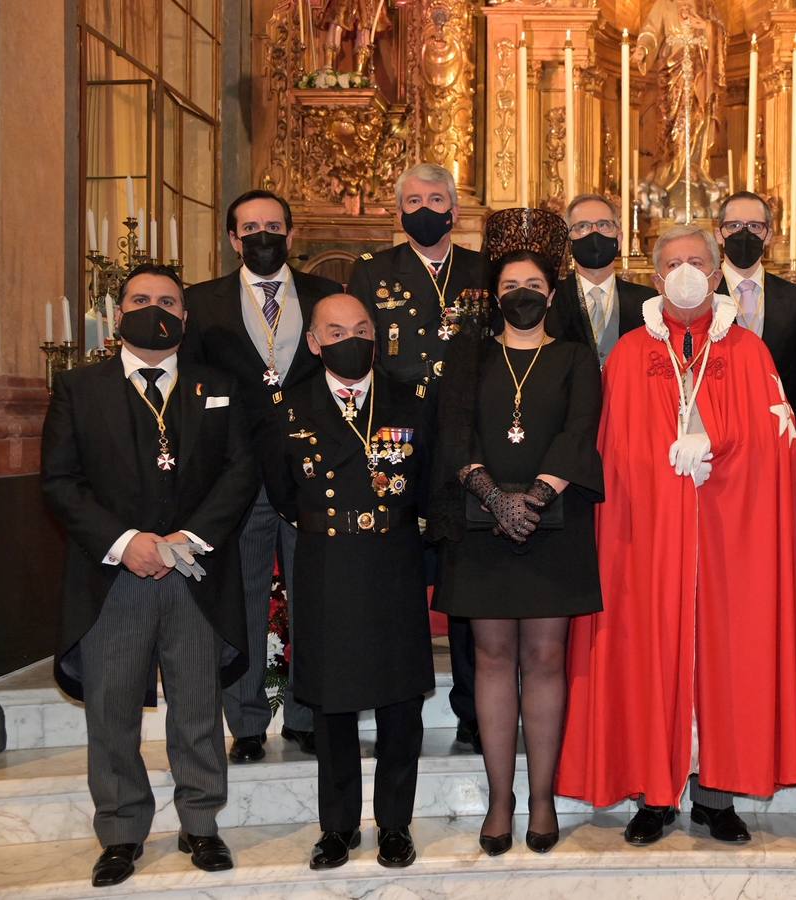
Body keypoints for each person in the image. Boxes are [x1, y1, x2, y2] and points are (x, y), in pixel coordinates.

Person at [558, 224, 796, 846]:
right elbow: (611, 451)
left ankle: (717, 794)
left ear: (716, 269)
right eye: (673, 262)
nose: (686, 271)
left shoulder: (749, 352)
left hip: (730, 540)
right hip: (648, 538)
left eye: (697, 261)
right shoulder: (626, 355)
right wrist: (659, 474)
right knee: (649, 650)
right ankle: (654, 792)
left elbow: (777, 448)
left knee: (727, 657)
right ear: (654, 276)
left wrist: (719, 448)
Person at [41, 264, 258, 887]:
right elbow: (60, 481)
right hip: (113, 578)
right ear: (119, 313)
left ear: (185, 320)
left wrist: (185, 540)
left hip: (193, 573)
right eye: (140, 299)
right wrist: (126, 542)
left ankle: (200, 823)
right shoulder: (79, 389)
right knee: (110, 711)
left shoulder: (218, 386)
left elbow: (240, 472)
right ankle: (120, 830)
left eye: (167, 301)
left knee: (196, 705)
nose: (153, 309)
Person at [438, 208, 604, 857]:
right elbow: (454, 433)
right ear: (494, 296)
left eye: (533, 285)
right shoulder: (469, 354)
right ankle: (500, 799)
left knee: (545, 660)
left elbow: (579, 431)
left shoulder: (572, 357)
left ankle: (542, 798)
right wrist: (492, 499)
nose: (522, 296)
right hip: (482, 529)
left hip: (552, 526)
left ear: (553, 294)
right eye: (509, 287)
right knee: (491, 659)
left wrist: (532, 499)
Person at [261, 292, 435, 870]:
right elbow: (284, 493)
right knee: (333, 704)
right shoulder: (288, 406)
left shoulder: (410, 399)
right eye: (335, 332)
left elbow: (429, 482)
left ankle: (394, 824)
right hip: (327, 562)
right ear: (314, 342)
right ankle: (337, 828)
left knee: (399, 700)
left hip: (393, 561)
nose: (350, 339)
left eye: (361, 328)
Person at [183, 188, 340, 762]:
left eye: (274, 225)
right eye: (250, 227)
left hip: (310, 474)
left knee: (314, 597)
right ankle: (246, 722)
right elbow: (194, 395)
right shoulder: (201, 304)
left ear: (292, 235)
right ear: (232, 239)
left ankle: (305, 714)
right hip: (237, 479)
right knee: (243, 598)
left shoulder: (328, 296)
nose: (263, 235)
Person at [347, 162, 489, 753]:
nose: (425, 208)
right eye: (413, 199)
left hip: (468, 445)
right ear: (397, 211)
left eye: (436, 198)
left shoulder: (486, 271)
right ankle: (395, 706)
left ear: (455, 211)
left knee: (466, 586)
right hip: (396, 443)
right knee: (396, 582)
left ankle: (474, 711)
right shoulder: (372, 272)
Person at [711, 191, 796, 397]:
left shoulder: (795, 298)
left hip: (778, 415)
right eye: (734, 226)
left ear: (768, 236)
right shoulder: (704, 294)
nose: (744, 234)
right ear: (719, 234)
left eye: (755, 226)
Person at [547, 193, 655, 367]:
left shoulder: (648, 302)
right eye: (582, 226)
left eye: (603, 225)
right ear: (569, 242)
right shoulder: (551, 300)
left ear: (619, 239)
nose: (594, 233)